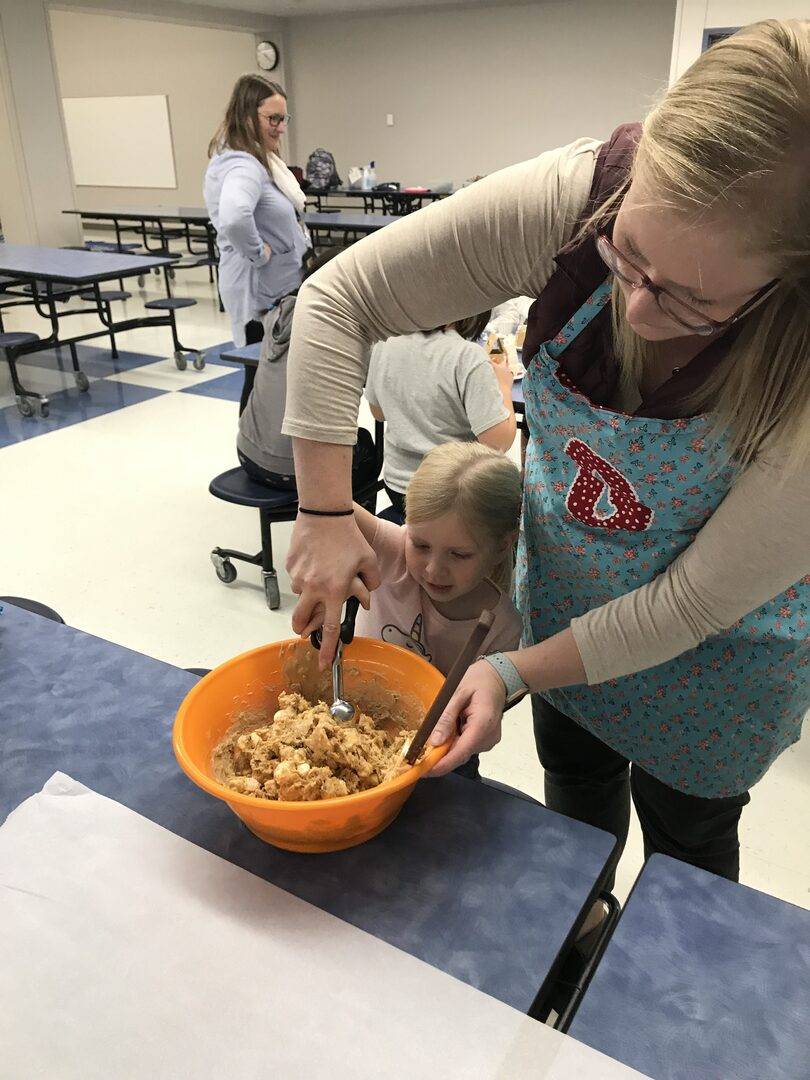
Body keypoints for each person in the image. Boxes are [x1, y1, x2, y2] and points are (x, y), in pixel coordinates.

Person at [281, 20, 809, 895]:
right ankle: (582, 924)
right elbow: (340, 299)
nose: (636, 313)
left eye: (693, 302)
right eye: (627, 257)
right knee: (576, 822)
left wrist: (511, 666)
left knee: (688, 858)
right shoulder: (575, 202)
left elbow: (687, 605)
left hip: (716, 672)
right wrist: (326, 511)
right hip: (567, 621)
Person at [351, 441, 524, 778]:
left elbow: (474, 719)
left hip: (440, 756)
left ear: (502, 546)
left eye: (458, 555)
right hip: (354, 723)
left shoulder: (504, 627)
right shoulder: (392, 551)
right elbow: (329, 508)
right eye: (421, 545)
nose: (433, 570)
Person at [204, 73, 310, 413]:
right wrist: (259, 253)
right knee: (261, 378)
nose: (280, 128)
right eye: (273, 119)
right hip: (261, 293)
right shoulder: (243, 165)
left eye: (283, 118)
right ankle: (252, 441)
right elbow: (235, 216)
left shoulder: (258, 159)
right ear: (248, 116)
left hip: (275, 289)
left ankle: (262, 440)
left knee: (269, 377)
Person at [237, 246, 378, 498]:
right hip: (297, 471)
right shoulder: (341, 327)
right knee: (366, 447)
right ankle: (343, 519)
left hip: (247, 454)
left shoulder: (278, 313)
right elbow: (376, 384)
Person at [364, 312, 516, 521]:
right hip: (452, 495)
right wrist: (504, 386)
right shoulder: (468, 355)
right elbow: (497, 442)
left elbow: (378, 413)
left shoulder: (385, 343)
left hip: (397, 487)